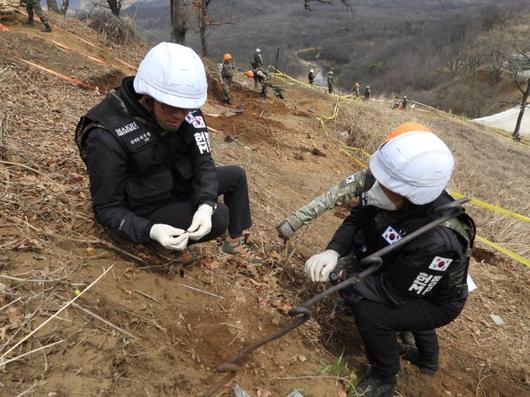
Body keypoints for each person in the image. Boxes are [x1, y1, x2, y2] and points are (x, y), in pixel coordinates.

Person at [302, 124, 475, 397]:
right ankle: (427, 361)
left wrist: (345, 282)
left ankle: (384, 377)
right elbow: (358, 216)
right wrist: (333, 251)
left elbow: (393, 294)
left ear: (413, 194)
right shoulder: (395, 191)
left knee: (371, 312)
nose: (377, 187)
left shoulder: (437, 240)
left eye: (386, 185)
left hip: (437, 300)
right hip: (408, 277)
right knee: (397, 305)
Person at [75, 42, 262, 265]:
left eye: (185, 108)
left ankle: (233, 242)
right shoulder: (107, 134)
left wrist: (205, 202)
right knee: (220, 216)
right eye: (169, 107)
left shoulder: (185, 110)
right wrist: (151, 230)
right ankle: (155, 243)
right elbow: (107, 209)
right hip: (145, 208)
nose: (178, 116)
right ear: (148, 96)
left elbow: (204, 163)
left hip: (174, 184)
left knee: (235, 176)